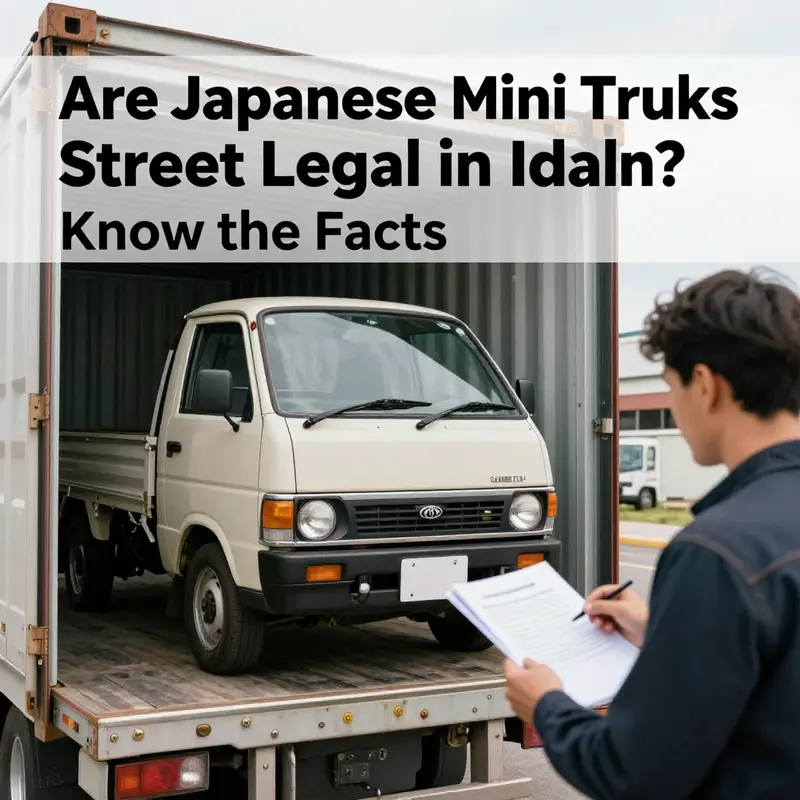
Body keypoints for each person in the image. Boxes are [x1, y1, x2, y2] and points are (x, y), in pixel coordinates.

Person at [504, 267, 800, 799]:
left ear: (706, 385)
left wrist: (546, 704)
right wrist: (666, 630)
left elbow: (633, 774)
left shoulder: (718, 552)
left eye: (670, 387)